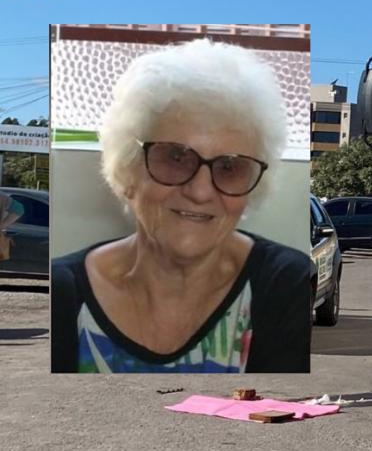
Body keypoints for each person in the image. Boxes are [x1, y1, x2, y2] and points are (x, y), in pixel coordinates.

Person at [51, 39, 312, 373]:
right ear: (128, 168)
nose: (201, 191)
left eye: (230, 166)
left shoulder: (287, 285)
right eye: (175, 157)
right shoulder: (62, 293)